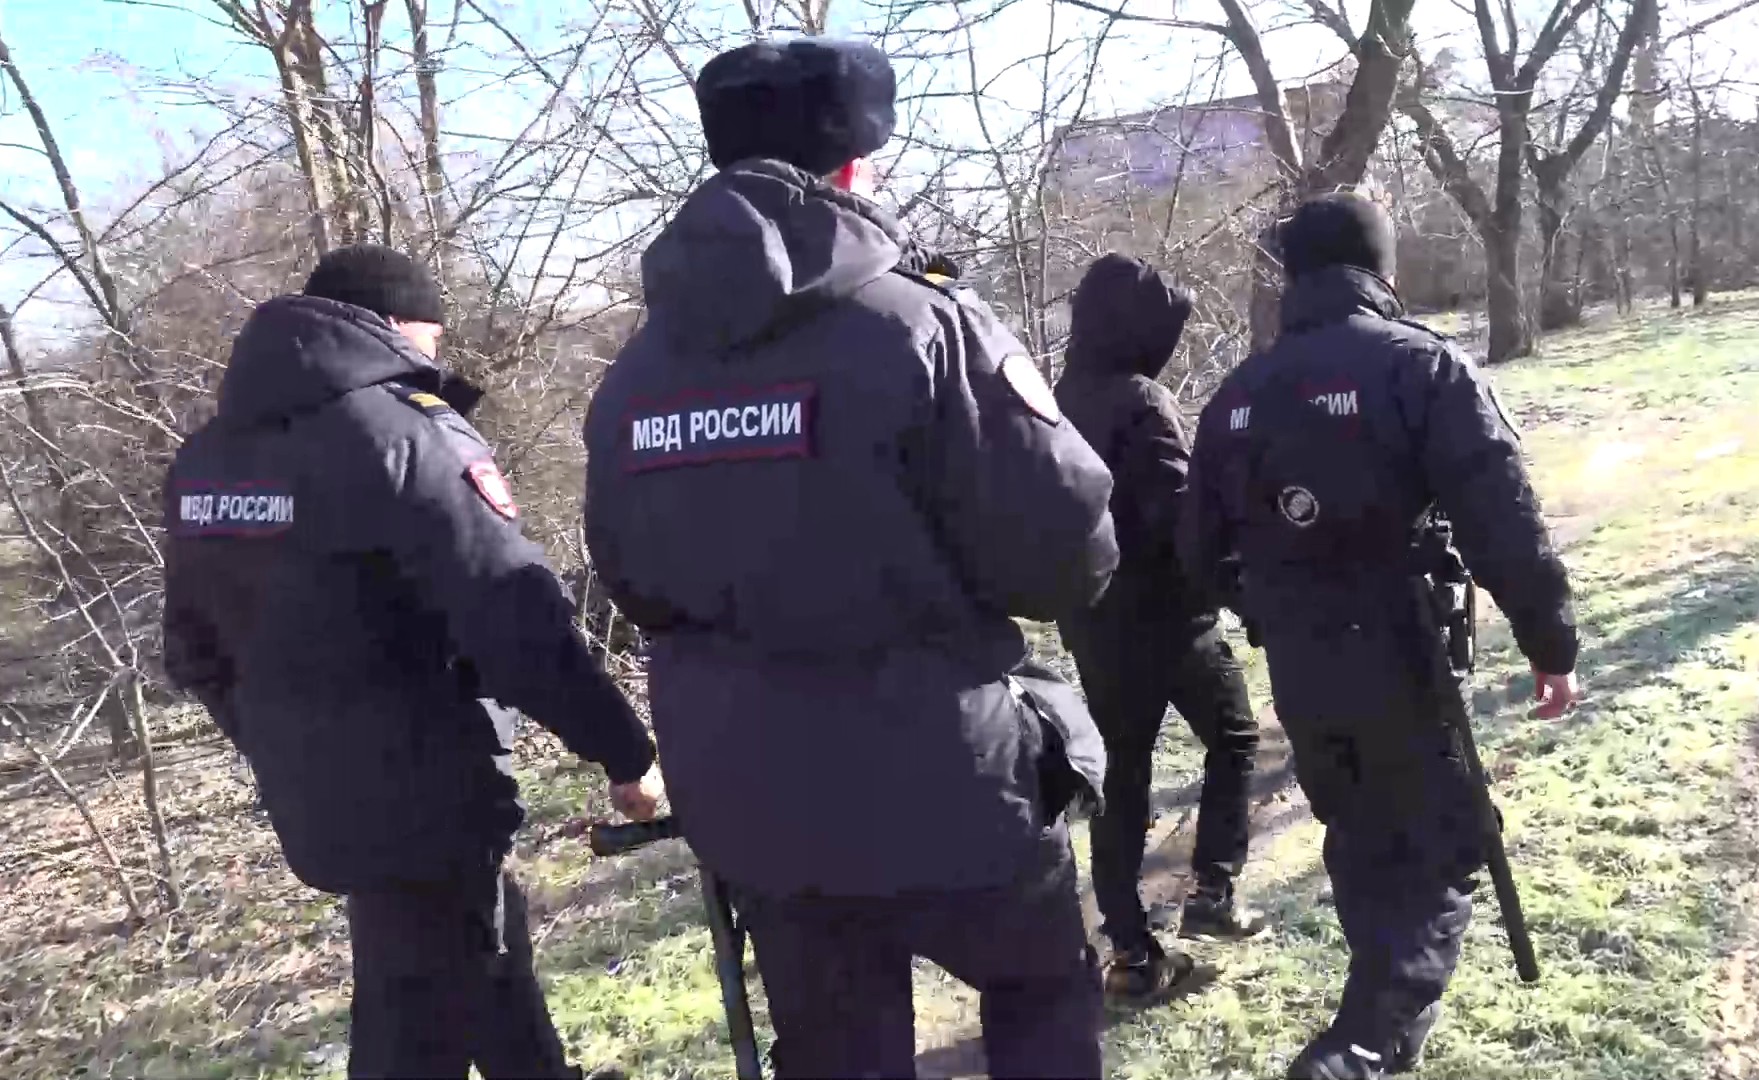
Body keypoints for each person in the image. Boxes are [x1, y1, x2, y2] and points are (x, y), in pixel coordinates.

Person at [582, 36, 1117, 1080]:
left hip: (753, 797)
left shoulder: (633, 377)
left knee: (835, 1054)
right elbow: (1068, 555)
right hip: (947, 779)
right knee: (1043, 997)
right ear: (856, 165)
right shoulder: (925, 323)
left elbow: (629, 579)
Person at [160, 244, 661, 1080]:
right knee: (416, 1020)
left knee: (475, 953)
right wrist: (623, 751)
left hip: (317, 787)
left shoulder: (208, 458)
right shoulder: (403, 434)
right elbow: (515, 622)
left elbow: (191, 647)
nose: (433, 351)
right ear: (395, 323)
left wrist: (284, 739)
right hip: (428, 783)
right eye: (432, 332)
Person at [1180, 194, 1581, 1080]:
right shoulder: (1419, 366)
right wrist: (1551, 643)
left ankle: (1379, 1031)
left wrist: (1274, 606)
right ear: (1381, 269)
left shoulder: (1235, 396)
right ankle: (1360, 1045)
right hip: (1406, 656)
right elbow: (1502, 518)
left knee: (1363, 836)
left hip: (1302, 666)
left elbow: (1199, 558)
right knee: (1446, 847)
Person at [1052, 252, 1263, 1005]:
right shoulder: (1143, 401)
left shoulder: (1055, 399)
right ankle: (1214, 889)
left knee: (1123, 778)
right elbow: (1183, 519)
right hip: (1169, 617)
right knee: (1235, 739)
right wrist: (1241, 593)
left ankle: (1131, 952)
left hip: (1093, 621)